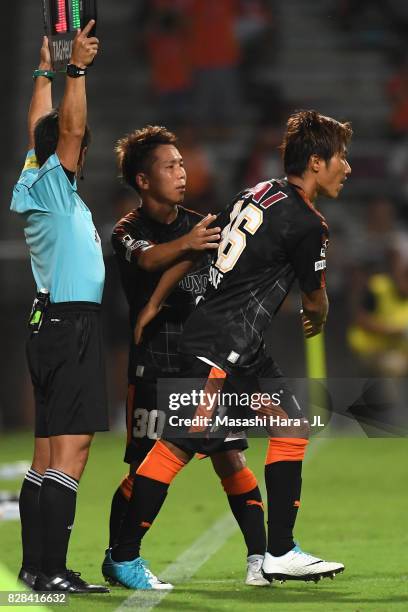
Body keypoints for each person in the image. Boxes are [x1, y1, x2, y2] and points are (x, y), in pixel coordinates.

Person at [110, 109, 352, 585]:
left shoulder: (258, 190)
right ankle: (122, 556)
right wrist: (319, 315)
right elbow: (314, 298)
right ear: (318, 162)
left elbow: (199, 245)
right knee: (177, 447)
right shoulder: (309, 223)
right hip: (215, 346)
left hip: (238, 346)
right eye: (342, 158)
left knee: (291, 427)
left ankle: (278, 551)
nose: (347, 168)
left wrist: (154, 301)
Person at [102, 125, 268, 589]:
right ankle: (120, 558)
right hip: (154, 364)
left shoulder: (204, 225)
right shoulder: (126, 231)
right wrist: (189, 247)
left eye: (182, 163)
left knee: (230, 456)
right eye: (170, 165)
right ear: (142, 180)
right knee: (144, 467)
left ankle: (262, 557)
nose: (182, 171)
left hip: (205, 365)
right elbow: (151, 260)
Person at [11, 25, 109, 594]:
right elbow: (64, 129)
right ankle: (49, 571)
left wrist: (44, 71)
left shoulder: (36, 177)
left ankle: (35, 567)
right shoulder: (54, 183)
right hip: (71, 326)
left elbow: (42, 128)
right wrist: (76, 70)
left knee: (46, 453)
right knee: (71, 453)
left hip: (48, 323)